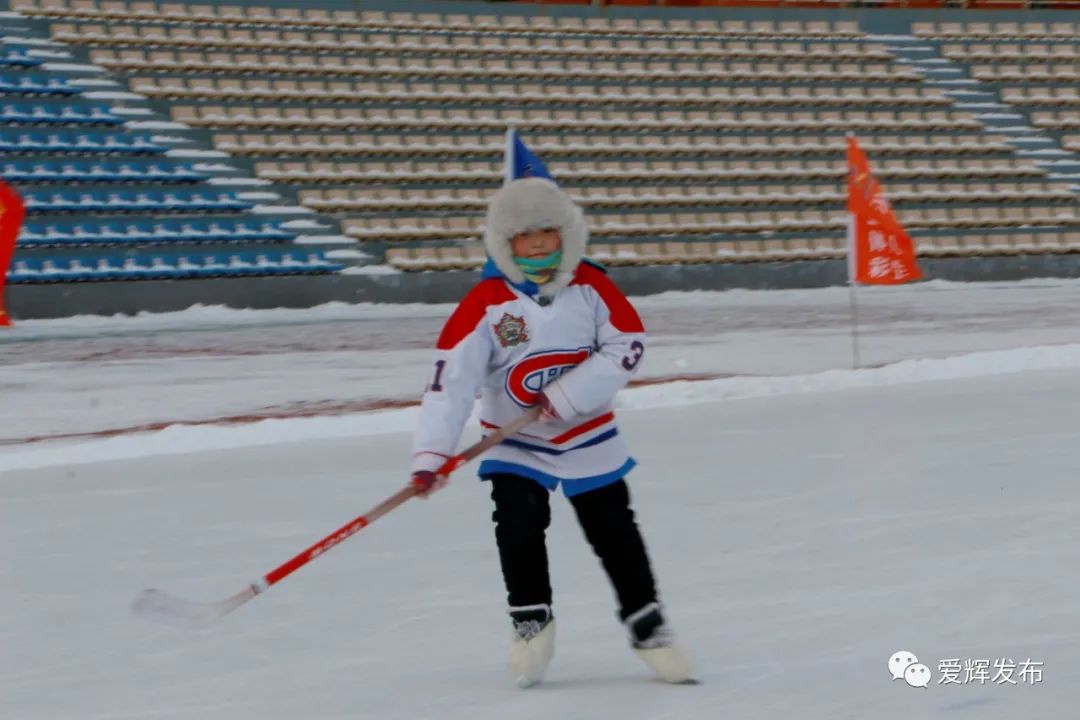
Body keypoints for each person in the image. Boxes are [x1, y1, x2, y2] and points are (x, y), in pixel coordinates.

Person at [410, 177, 693, 688]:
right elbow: (450, 380)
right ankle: (530, 621)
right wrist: (432, 454)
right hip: (514, 441)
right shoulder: (487, 302)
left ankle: (646, 622)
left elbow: (627, 344)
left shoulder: (592, 287)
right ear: (505, 244)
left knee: (615, 529)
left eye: (548, 231)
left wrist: (567, 397)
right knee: (517, 525)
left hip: (588, 437)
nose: (538, 244)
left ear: (566, 234)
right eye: (524, 236)